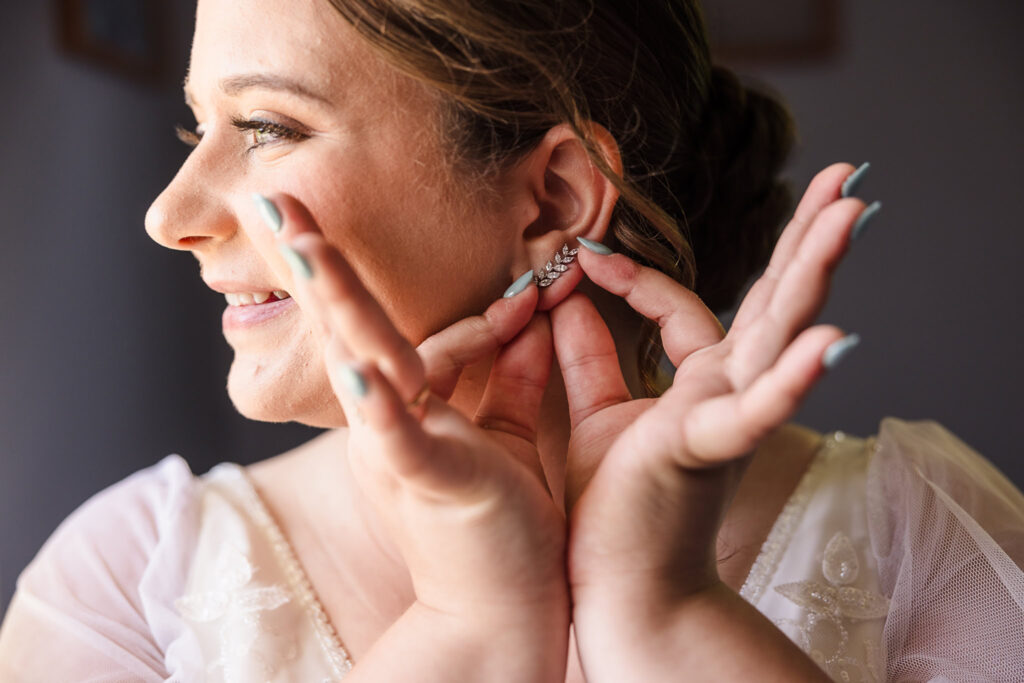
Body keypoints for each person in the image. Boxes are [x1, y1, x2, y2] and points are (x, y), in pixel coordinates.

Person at [1, 0, 1022, 680]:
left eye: (268, 128)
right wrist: (469, 622)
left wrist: (657, 608)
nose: (169, 212)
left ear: (554, 195)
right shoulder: (126, 584)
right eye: (196, 129)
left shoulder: (922, 531)